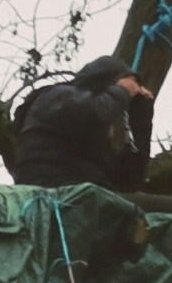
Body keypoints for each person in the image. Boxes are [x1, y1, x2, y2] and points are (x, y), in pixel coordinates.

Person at [9, 56, 154, 192]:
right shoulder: (57, 96)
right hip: (50, 189)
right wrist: (123, 91)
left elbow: (129, 181)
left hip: (83, 193)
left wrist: (141, 116)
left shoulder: (95, 143)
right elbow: (95, 113)